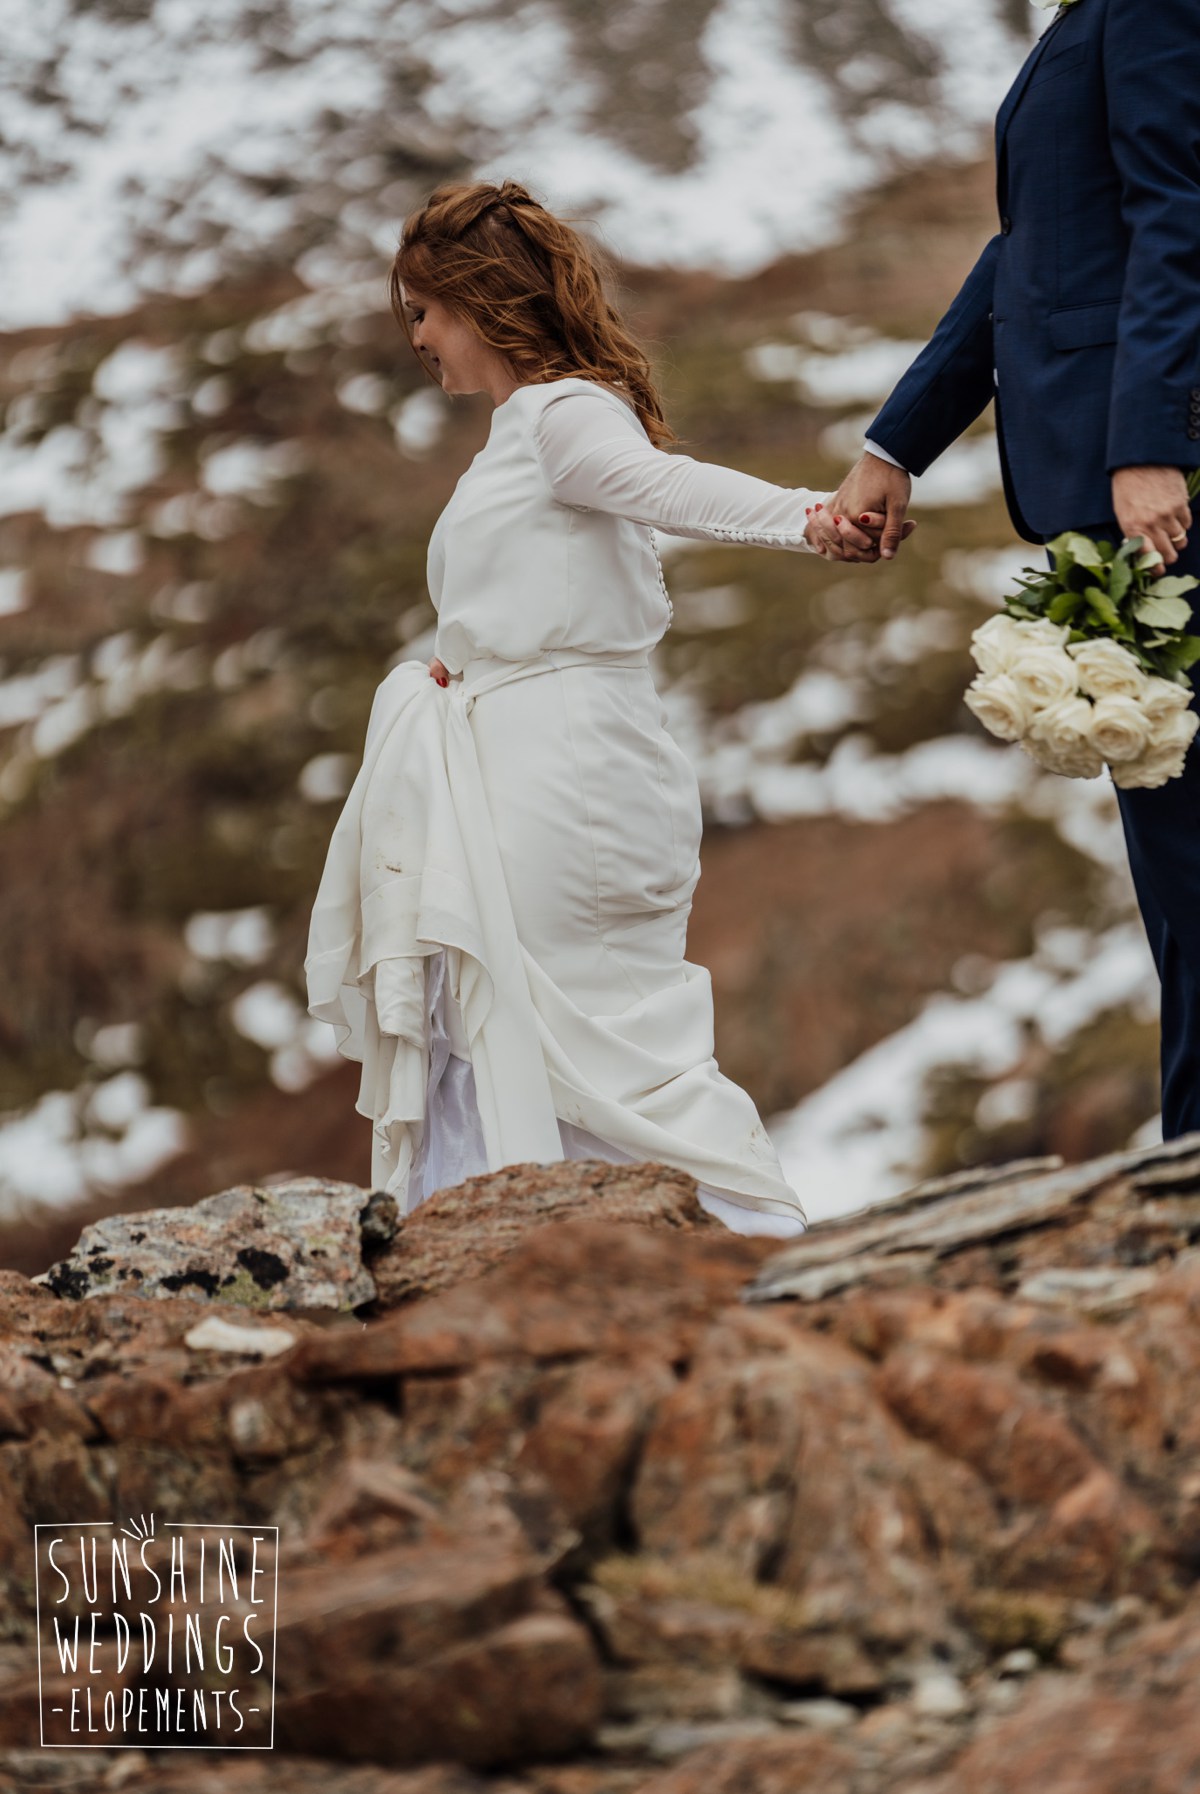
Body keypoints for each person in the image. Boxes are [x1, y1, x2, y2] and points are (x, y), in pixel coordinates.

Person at [304, 178, 890, 1237]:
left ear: (477, 300)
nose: (417, 338)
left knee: (584, 1028)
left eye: (423, 312)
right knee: (530, 1021)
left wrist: (811, 517)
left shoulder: (559, 412)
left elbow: (666, 486)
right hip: (528, 755)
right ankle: (533, 1253)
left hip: (562, 775)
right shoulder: (520, 429)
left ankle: (706, 1247)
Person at [813, 0, 1200, 1141]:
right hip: (1114, 495)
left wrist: (1152, 442)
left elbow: (1180, 209)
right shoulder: (1089, 18)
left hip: (1157, 495)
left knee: (1191, 858)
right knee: (1177, 868)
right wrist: (897, 444)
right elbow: (1028, 252)